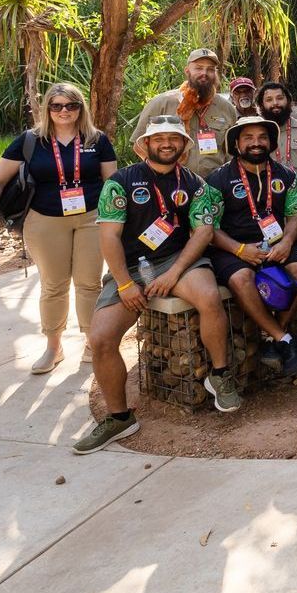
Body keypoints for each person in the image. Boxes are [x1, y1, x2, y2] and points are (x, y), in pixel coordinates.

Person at [74, 116, 232, 454]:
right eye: (158, 138)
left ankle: (220, 374)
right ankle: (119, 418)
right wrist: (125, 284)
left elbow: (203, 232)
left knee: (208, 297)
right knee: (101, 338)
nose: (166, 143)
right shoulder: (120, 183)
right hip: (131, 267)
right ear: (145, 144)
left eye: (173, 138)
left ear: (183, 145)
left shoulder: (196, 185)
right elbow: (109, 238)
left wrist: (174, 273)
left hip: (180, 261)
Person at [0, 82, 118, 373]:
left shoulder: (96, 140)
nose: (64, 111)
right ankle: (53, 347)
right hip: (44, 219)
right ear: (47, 108)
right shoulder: (30, 141)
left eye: (71, 105)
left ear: (80, 108)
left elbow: (112, 182)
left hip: (91, 217)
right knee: (53, 285)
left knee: (88, 283)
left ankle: (91, 341)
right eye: (57, 105)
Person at [204, 116, 297, 376]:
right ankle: (283, 339)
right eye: (248, 138)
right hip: (232, 248)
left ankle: (275, 333)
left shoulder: (284, 174)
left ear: (271, 142)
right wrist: (240, 250)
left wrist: (287, 242)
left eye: (262, 137)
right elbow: (209, 229)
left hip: (276, 244)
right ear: (236, 144)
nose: (256, 143)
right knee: (242, 277)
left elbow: (294, 215)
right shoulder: (217, 179)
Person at [130, 47, 239, 177]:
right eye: (198, 68)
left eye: (210, 69)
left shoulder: (226, 108)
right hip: (172, 184)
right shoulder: (162, 103)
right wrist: (159, 172)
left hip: (213, 186)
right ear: (187, 71)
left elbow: (231, 152)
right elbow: (138, 144)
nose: (204, 73)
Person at [256, 81, 297, 173]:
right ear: (261, 105)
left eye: (280, 98)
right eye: (269, 100)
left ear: (289, 101)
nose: (275, 103)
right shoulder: (254, 134)